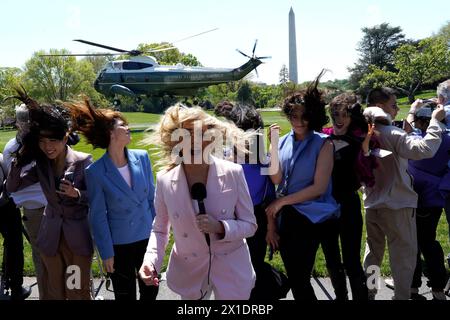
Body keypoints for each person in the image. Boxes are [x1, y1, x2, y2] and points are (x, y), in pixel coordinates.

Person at [138, 104, 257, 300]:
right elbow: (160, 229)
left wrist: (220, 226)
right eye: (185, 135)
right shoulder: (165, 179)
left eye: (199, 134)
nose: (193, 142)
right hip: (190, 272)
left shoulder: (233, 173)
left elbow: (250, 225)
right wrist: (150, 261)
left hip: (231, 270)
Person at [6, 87, 94, 300]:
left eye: (53, 141)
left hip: (76, 240)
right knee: (54, 289)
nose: (48, 147)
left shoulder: (83, 161)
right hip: (50, 239)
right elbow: (12, 187)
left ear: (65, 138)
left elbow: (98, 199)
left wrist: (77, 194)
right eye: (43, 141)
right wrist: (18, 160)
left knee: (75, 291)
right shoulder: (42, 165)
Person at [67, 99, 159, 301]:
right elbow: (98, 216)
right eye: (122, 126)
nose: (128, 128)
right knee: (124, 295)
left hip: (147, 240)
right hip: (120, 246)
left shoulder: (142, 157)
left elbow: (152, 200)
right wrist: (107, 253)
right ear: (110, 134)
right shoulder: (96, 171)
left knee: (151, 291)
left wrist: (158, 238)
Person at [362, 87, 446, 300]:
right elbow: (424, 149)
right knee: (403, 259)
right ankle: (402, 296)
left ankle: (369, 293)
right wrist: (436, 121)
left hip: (372, 205)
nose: (397, 109)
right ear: (381, 107)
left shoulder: (363, 132)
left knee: (373, 255)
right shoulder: (394, 134)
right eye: (393, 105)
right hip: (398, 206)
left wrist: (411, 112)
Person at [265, 71, 341, 300]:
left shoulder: (324, 143)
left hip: (311, 216)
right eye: (293, 116)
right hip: (287, 216)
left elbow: (319, 187)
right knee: (297, 278)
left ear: (313, 115)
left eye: (303, 116)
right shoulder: (284, 141)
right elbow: (276, 179)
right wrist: (273, 146)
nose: (298, 122)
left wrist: (281, 202)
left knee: (299, 278)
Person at [223, 103, 288, 300]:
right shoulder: (222, 158)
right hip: (229, 219)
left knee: (253, 267)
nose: (247, 136)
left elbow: (275, 182)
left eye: (252, 130)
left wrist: (274, 145)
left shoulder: (262, 158)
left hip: (256, 218)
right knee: (232, 271)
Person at [320, 93, 377, 301]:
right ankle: (340, 297)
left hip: (348, 205)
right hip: (325, 205)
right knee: (332, 259)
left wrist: (365, 149)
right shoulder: (322, 138)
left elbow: (368, 174)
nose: (339, 119)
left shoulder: (359, 140)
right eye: (335, 113)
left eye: (344, 114)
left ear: (352, 117)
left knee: (351, 260)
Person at [3, 104, 47, 299]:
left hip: (46, 205)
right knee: (38, 255)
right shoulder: (13, 148)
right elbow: (12, 183)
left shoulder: (41, 142)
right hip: (32, 208)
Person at [407, 105, 450, 300]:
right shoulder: (447, 139)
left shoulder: (420, 142)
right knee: (429, 243)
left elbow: (404, 134)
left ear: (424, 122)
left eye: (418, 121)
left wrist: (411, 111)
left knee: (413, 244)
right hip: (435, 200)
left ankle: (413, 286)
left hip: (418, 199)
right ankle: (438, 288)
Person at [0, 152, 31, 300]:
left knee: (14, 245)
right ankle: (15, 287)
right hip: (5, 205)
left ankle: (14, 285)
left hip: (5, 204)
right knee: (14, 245)